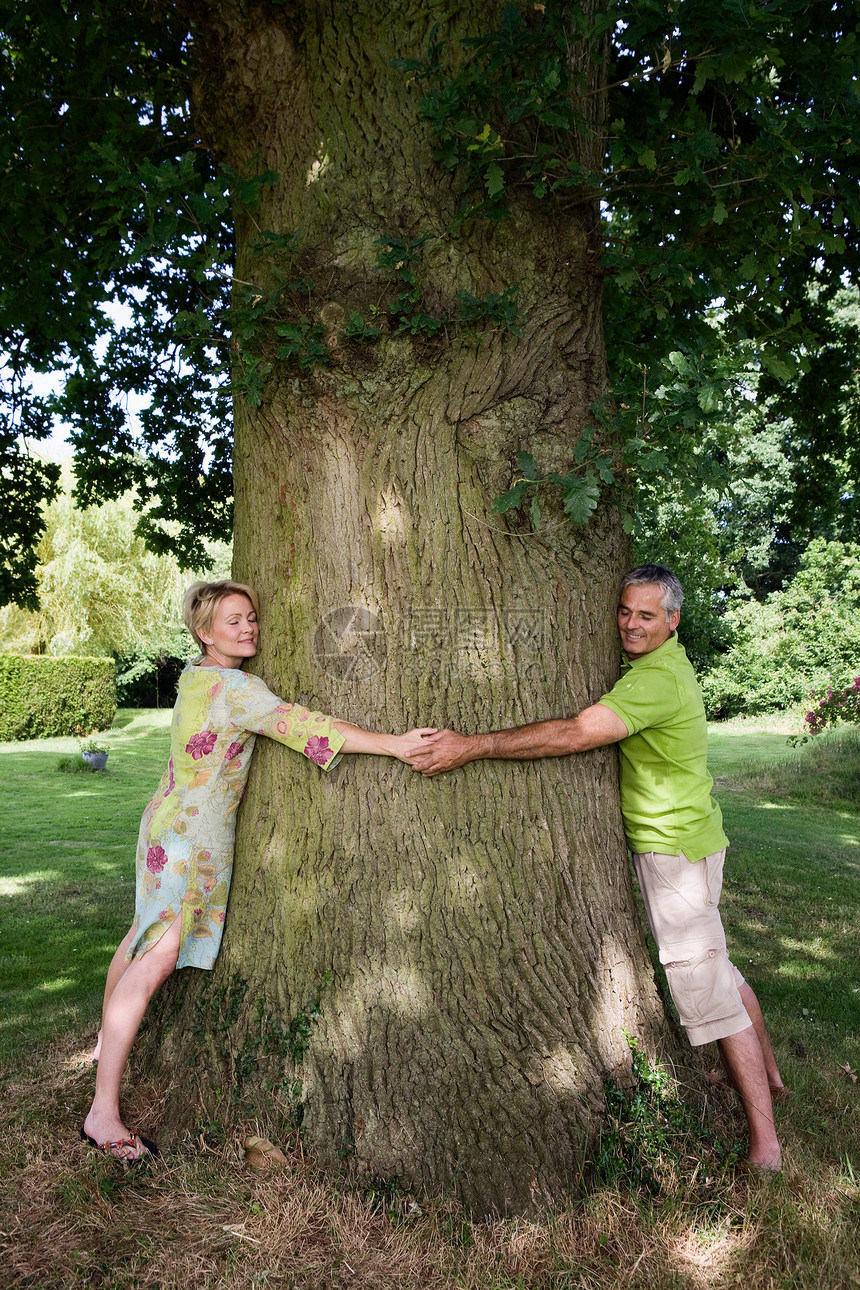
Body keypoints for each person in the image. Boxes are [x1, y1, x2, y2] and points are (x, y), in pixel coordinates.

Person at [410, 564, 787, 1172]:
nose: (632, 625)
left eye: (647, 615)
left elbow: (575, 734)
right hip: (691, 840)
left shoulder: (656, 681)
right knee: (719, 967)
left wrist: (470, 745)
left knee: (706, 990)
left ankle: (766, 1147)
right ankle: (771, 1076)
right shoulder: (658, 668)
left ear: (674, 619)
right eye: (625, 612)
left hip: (675, 853)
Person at [82, 580, 434, 1162]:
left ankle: (104, 1044)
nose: (248, 628)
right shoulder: (235, 689)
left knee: (141, 936)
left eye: (250, 618)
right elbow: (305, 725)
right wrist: (395, 744)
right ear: (205, 632)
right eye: (233, 621)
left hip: (165, 828)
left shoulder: (195, 676)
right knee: (157, 959)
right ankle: (102, 1112)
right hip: (190, 843)